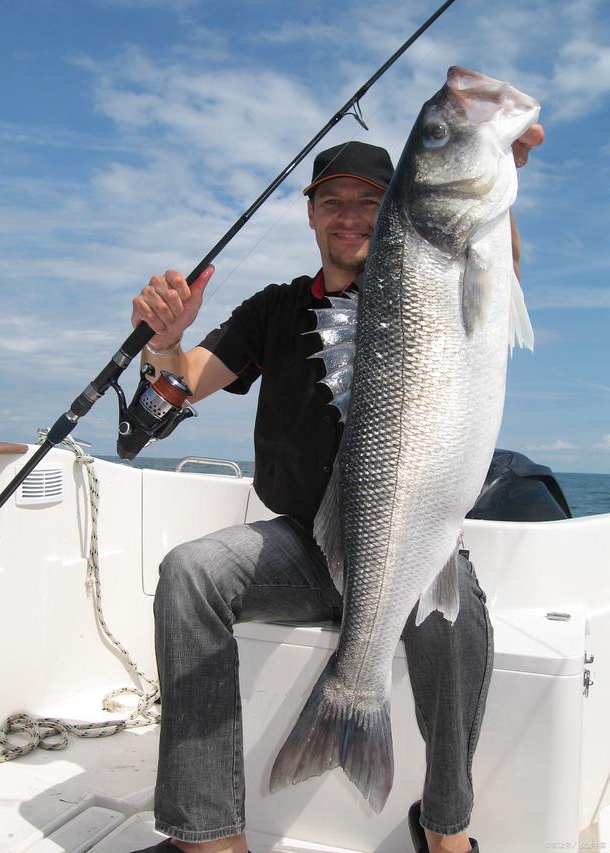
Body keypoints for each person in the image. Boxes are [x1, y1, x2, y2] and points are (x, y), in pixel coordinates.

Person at [131, 128, 544, 853]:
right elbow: (182, 382)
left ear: (393, 215)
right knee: (190, 571)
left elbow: (491, 264)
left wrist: (492, 178)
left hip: (411, 543)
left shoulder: (435, 296)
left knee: (456, 616)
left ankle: (446, 829)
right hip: (301, 545)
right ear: (312, 214)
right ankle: (209, 837)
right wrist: (166, 341)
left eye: (369, 201)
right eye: (332, 200)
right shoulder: (276, 308)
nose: (349, 214)